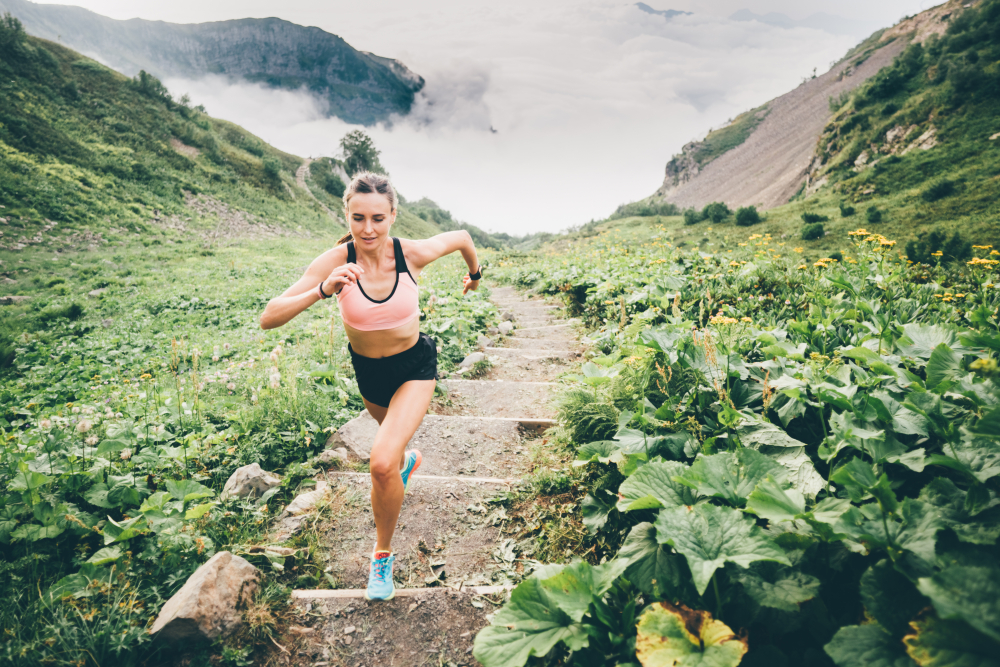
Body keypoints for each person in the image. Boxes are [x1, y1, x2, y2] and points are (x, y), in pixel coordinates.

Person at [260, 172, 482, 600]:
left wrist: (475, 274)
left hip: (415, 368)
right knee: (392, 455)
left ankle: (381, 559)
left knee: (380, 462)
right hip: (370, 375)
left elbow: (461, 237)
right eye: (358, 217)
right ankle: (404, 461)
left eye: (378, 218)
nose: (367, 229)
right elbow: (269, 317)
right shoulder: (334, 262)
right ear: (346, 213)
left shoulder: (411, 255)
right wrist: (323, 290)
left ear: (393, 215)